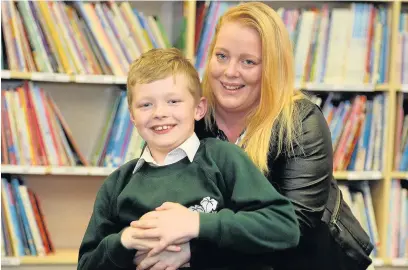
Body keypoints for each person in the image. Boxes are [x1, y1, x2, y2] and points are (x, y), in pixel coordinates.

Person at [134, 2, 374, 270]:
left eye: (248, 61)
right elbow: (153, 193)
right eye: (222, 56)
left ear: (271, 68)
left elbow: (293, 228)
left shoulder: (301, 122)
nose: (229, 72)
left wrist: (195, 249)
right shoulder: (186, 115)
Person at [77, 48, 301, 270]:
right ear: (133, 116)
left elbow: (283, 227)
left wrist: (195, 224)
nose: (159, 113)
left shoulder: (224, 159)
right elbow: (87, 264)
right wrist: (124, 241)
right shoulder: (117, 184)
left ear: (199, 109)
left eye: (173, 101)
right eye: (146, 104)